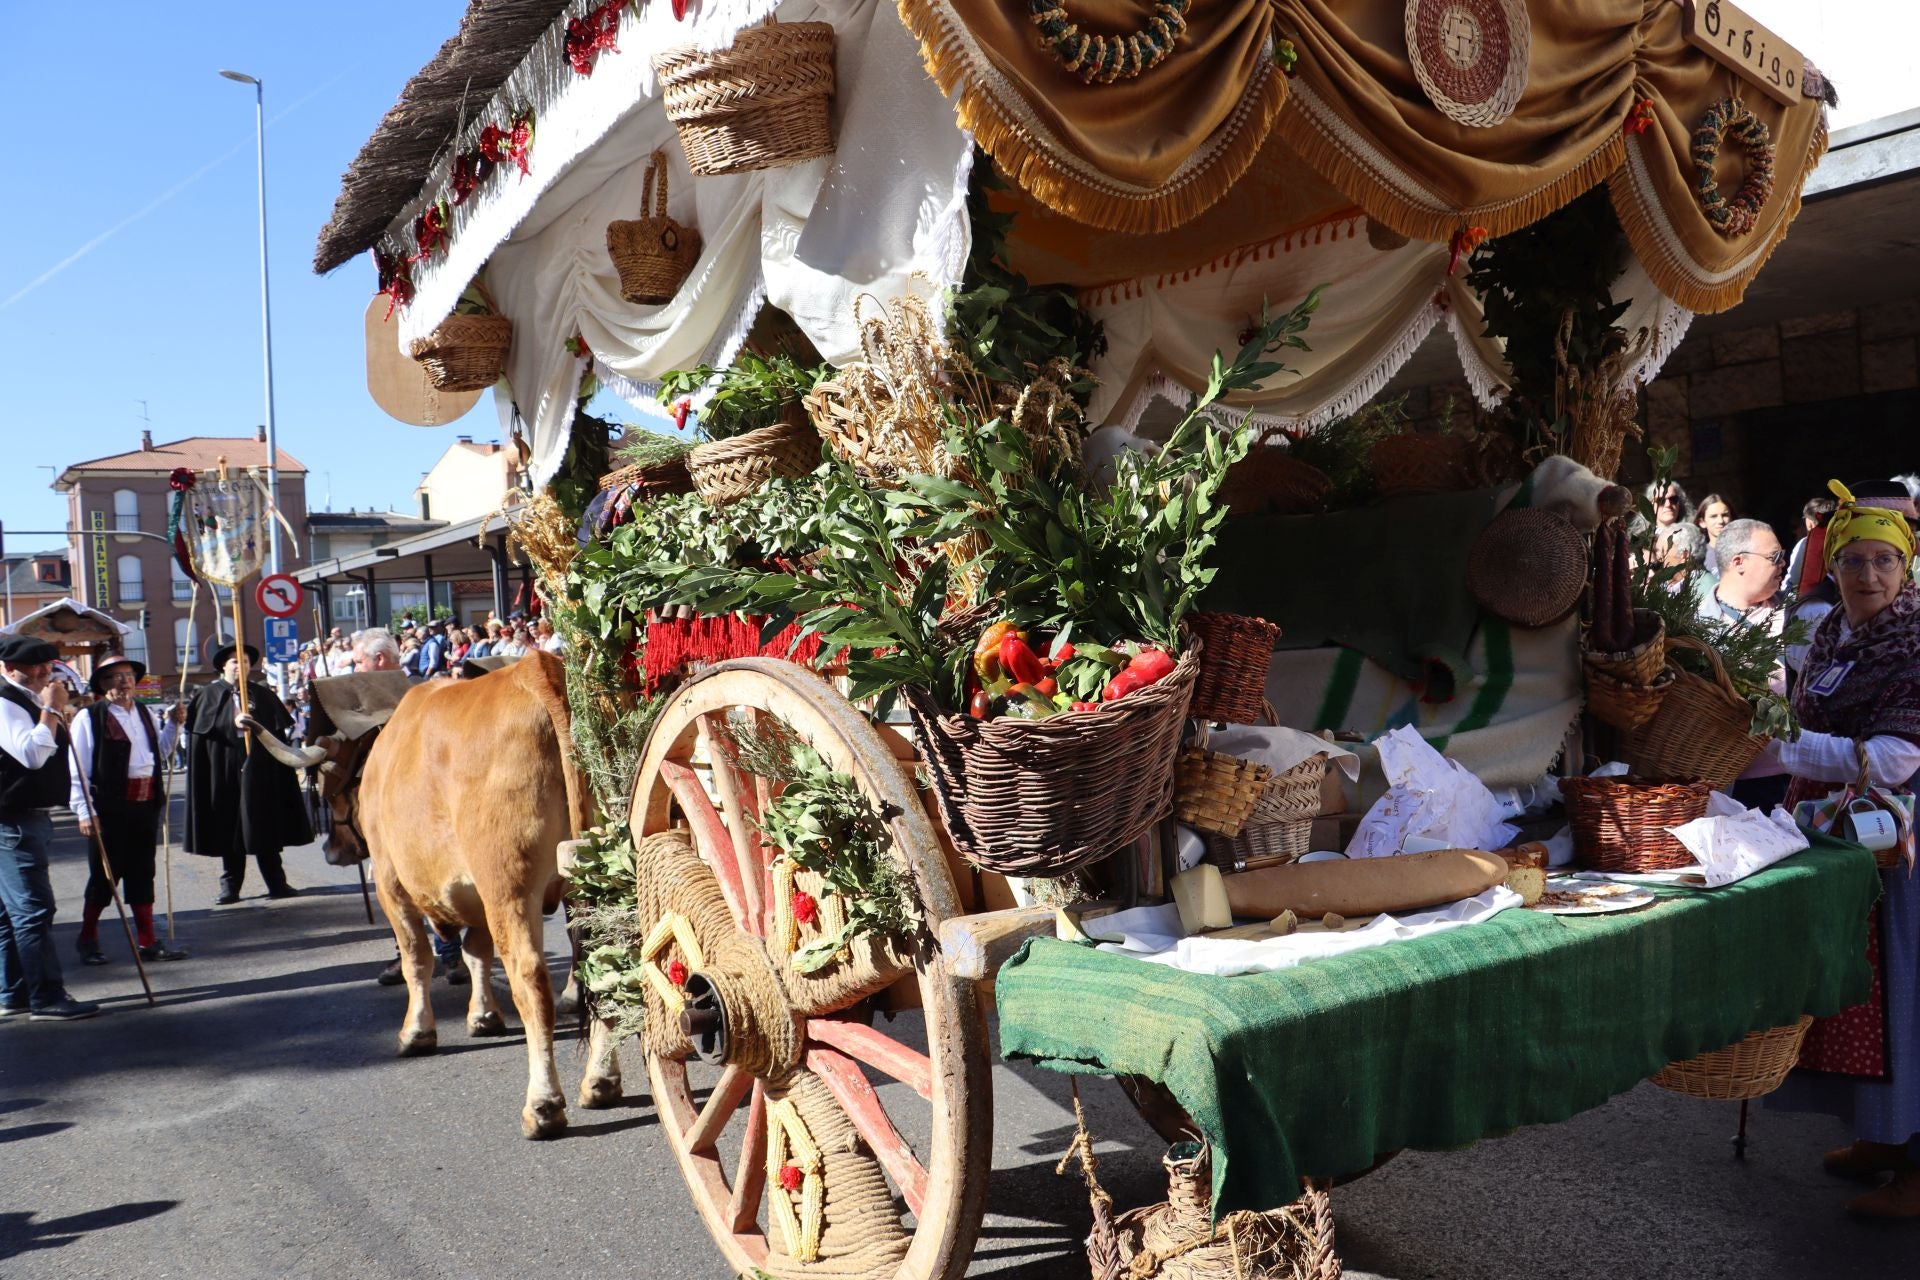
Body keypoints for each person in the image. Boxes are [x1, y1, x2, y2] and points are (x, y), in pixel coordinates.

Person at [1750, 480, 1920, 1218]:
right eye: (1856, 561)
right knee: (1860, 998)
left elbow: (1894, 759)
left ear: (1907, 569)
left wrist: (1784, 743)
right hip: (1836, 832)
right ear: (1835, 563)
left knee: (1908, 1001)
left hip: (1899, 844)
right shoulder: (1829, 634)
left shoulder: (1914, 643)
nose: (1870, 576)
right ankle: (1883, 1137)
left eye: (1887, 561)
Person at [0, 634, 98, 1020]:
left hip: (21, 818)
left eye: (48, 664)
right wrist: (52, 710)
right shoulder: (6, 701)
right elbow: (32, 755)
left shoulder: (21, 698)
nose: (45, 672)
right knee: (33, 910)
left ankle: (14, 993)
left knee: (10, 914)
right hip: (14, 821)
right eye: (35, 665)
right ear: (9, 668)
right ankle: (46, 997)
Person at [66, 655, 188, 965]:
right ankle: (88, 938)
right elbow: (77, 768)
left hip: (145, 805)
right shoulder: (88, 718)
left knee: (142, 873)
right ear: (103, 684)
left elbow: (159, 753)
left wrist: (173, 725)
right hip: (109, 809)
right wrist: (84, 810)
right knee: (105, 876)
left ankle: (147, 941)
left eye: (129, 675)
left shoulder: (146, 712)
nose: (124, 681)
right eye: (116, 676)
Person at [184, 643, 312, 904]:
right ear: (223, 665)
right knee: (229, 828)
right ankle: (230, 886)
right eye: (233, 661)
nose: (239, 666)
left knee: (266, 826)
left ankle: (277, 882)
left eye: (243, 661)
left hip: (261, 771)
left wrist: (255, 724)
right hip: (225, 772)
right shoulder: (208, 695)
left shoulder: (261, 695)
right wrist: (230, 724)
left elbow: (277, 734)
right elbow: (203, 737)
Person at [1654, 522, 1717, 606]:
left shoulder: (1709, 593)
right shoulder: (1660, 586)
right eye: (1656, 551)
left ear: (1684, 555)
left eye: (1662, 551)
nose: (1657, 558)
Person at [1788, 495, 1839, 599]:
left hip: (1808, 600)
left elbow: (1793, 579)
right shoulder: (1844, 541)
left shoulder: (1805, 544)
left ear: (1810, 523)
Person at [1696, 493, 1735, 574]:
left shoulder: (1744, 550)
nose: (1720, 521)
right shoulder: (1699, 557)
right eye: (1713, 516)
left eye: (1725, 515)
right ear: (1702, 522)